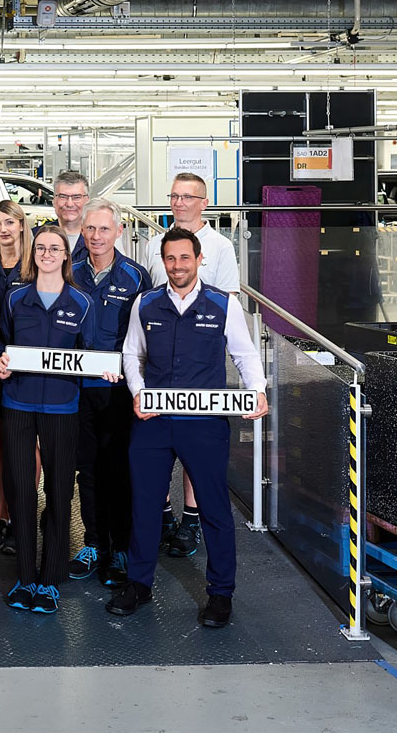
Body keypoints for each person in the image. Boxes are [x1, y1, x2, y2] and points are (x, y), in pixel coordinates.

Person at [107, 227, 268, 628]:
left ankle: (220, 594)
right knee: (143, 505)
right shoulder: (145, 303)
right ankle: (139, 584)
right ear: (163, 262)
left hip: (205, 423)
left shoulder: (222, 304)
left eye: (184, 258)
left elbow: (245, 354)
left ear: (199, 260)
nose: (177, 266)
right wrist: (139, 393)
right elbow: (132, 355)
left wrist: (259, 391)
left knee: (214, 509)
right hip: (154, 421)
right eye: (170, 259)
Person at [0, 225, 108, 615]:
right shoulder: (14, 299)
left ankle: (51, 580)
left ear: (65, 255)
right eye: (40, 247)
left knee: (60, 491)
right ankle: (25, 578)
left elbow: (89, 351)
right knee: (21, 490)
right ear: (33, 253)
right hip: (18, 404)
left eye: (54, 248)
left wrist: (105, 370)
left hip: (63, 407)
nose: (46, 253)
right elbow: (0, 344)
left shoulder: (82, 302)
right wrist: (1, 362)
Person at [140, 173, 241, 557]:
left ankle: (191, 520)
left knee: (197, 446)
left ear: (204, 201)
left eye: (188, 197)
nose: (180, 203)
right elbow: (149, 297)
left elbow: (228, 301)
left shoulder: (220, 246)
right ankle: (164, 514)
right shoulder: (153, 244)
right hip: (160, 358)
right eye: (175, 196)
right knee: (158, 439)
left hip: (202, 363)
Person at [68, 198, 150, 586]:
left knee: (119, 469)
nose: (96, 236)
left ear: (119, 232)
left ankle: (120, 546)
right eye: (90, 229)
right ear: (82, 232)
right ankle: (93, 542)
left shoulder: (136, 277)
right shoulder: (70, 271)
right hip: (78, 388)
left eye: (104, 229)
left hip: (118, 390)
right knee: (87, 468)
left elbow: (145, 337)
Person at [0, 199, 34, 553]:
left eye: (9, 223)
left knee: (27, 448)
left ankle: (24, 515)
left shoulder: (36, 268)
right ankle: (3, 518)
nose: (3, 230)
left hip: (27, 369)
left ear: (21, 226)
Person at [39, 170, 90, 264]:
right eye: (63, 197)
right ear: (54, 200)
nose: (69, 204)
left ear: (87, 200)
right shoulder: (36, 236)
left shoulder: (98, 239)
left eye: (76, 197)